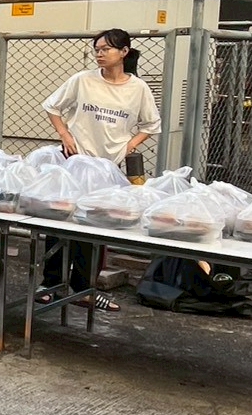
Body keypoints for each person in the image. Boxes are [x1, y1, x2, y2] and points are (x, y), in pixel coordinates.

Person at [39, 28, 163, 311]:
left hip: (107, 170)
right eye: (97, 49)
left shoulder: (138, 88)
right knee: (59, 222)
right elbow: (53, 107)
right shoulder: (82, 80)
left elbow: (151, 124)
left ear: (124, 52)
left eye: (106, 49)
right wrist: (65, 135)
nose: (100, 53)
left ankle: (84, 289)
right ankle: (50, 284)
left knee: (93, 228)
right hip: (74, 163)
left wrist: (129, 145)